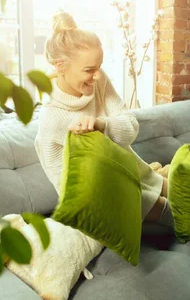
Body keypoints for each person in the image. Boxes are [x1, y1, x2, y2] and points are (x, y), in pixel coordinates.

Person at [34, 11, 173, 227]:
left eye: (99, 67)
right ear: (60, 66)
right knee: (180, 217)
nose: (97, 75)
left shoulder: (98, 81)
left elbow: (130, 126)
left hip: (139, 175)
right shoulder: (52, 118)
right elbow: (72, 189)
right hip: (109, 200)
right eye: (89, 70)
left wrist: (102, 124)